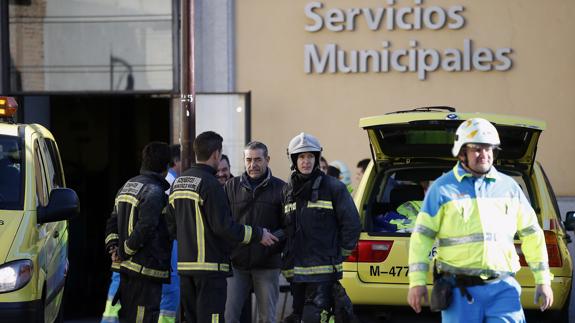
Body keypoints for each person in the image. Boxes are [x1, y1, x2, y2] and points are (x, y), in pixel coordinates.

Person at [407, 118, 554, 322]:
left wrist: (543, 280)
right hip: (458, 291)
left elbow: (532, 235)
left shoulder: (509, 188)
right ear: (461, 153)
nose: (484, 154)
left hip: (503, 289)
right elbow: (421, 238)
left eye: (489, 148)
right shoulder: (441, 189)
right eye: (477, 149)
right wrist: (417, 282)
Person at [166, 131, 278, 322]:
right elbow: (223, 226)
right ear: (216, 154)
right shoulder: (211, 184)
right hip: (211, 270)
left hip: (185, 269)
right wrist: (258, 234)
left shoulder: (179, 183)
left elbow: (170, 225)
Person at [281, 133, 361, 322]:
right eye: (301, 157)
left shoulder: (333, 187)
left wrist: (340, 253)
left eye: (310, 156)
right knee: (298, 316)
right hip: (296, 274)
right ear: (294, 160)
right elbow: (285, 227)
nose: (306, 161)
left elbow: (352, 224)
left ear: (317, 158)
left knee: (314, 318)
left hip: (323, 273)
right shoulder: (288, 190)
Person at [101, 144, 181, 323]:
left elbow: (112, 221)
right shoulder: (155, 192)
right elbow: (145, 228)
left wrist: (113, 248)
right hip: (146, 271)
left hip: (127, 271)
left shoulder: (127, 186)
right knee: (142, 318)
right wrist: (123, 251)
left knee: (130, 316)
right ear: (166, 166)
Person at [224, 141, 286, 323]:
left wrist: (274, 241)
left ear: (267, 159)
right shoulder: (231, 187)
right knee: (229, 316)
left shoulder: (281, 188)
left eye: (258, 159)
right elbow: (224, 223)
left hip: (268, 263)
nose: (253, 165)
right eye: (249, 160)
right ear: (244, 160)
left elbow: (288, 226)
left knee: (267, 318)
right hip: (237, 263)